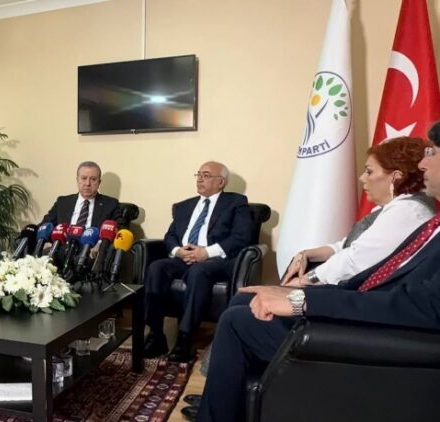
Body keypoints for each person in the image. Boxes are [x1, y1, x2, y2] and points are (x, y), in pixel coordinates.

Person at [194, 123, 440, 422]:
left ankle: (218, 405)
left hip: (373, 335)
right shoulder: (419, 220)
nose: (423, 164)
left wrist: (303, 294)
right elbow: (354, 253)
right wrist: (306, 265)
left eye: (433, 153)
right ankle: (223, 396)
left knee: (238, 317)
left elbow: (368, 271)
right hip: (365, 311)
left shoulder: (411, 211)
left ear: (395, 176)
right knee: (245, 301)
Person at [281, 137, 434, 287]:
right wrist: (305, 254)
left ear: (396, 177)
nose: (362, 178)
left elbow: (354, 261)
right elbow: (349, 245)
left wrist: (303, 281)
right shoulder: (398, 207)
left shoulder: (407, 212)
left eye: (369, 172)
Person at [143, 161, 252, 363]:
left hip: (215, 260)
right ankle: (156, 335)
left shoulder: (236, 203)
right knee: (156, 268)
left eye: (206, 175)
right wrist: (178, 251)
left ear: (221, 182)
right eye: (198, 174)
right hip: (184, 256)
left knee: (198, 272)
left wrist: (206, 253)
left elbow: (241, 237)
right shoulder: (184, 206)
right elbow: (170, 236)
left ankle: (185, 339)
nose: (200, 179)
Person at [40, 161, 126, 228]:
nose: (87, 183)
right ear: (77, 180)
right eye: (84, 178)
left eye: (93, 179)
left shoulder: (110, 204)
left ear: (99, 182)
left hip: (94, 245)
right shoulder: (62, 202)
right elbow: (43, 227)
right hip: (63, 245)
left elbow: (121, 230)